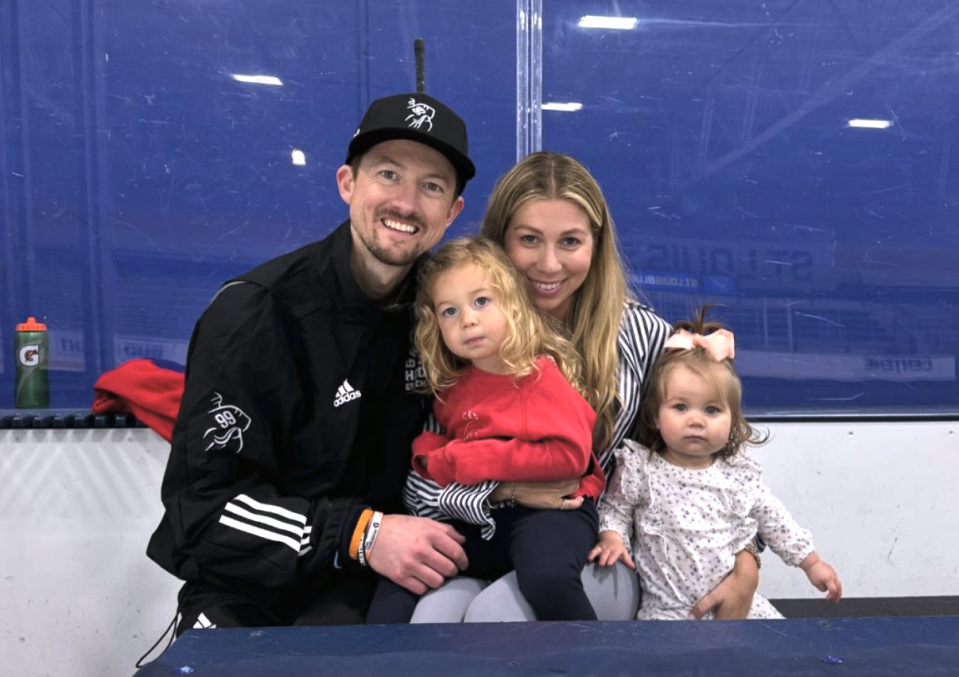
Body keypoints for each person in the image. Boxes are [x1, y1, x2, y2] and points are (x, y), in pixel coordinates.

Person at [146, 92, 477, 633]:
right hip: (249, 599)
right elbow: (201, 512)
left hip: (372, 596)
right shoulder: (256, 313)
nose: (407, 203)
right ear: (348, 183)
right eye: (388, 175)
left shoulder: (448, 318)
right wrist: (361, 534)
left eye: (432, 186)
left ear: (452, 213)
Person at [404, 152, 760, 622]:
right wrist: (502, 492)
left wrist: (747, 559)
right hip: (481, 534)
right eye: (529, 240)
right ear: (498, 242)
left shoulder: (641, 336)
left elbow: (716, 450)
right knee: (431, 620)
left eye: (569, 241)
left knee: (497, 618)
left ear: (596, 244)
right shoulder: (459, 335)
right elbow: (420, 479)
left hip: (601, 549)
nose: (549, 264)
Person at [367, 237, 605, 623]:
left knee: (547, 578)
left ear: (512, 304)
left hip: (554, 512)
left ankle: (594, 664)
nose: (468, 320)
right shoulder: (452, 388)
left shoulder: (539, 377)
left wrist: (469, 459)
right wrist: (435, 455)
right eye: (449, 311)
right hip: (483, 519)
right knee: (400, 583)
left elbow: (570, 458)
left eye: (481, 301)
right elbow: (434, 452)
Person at [589, 306, 843, 619]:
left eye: (711, 410)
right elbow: (615, 508)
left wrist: (811, 562)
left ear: (733, 421)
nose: (696, 420)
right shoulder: (642, 468)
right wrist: (612, 537)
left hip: (738, 601)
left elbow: (776, 521)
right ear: (655, 415)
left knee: (781, 651)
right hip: (668, 611)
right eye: (680, 407)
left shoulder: (737, 475)